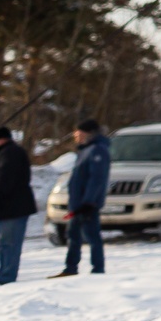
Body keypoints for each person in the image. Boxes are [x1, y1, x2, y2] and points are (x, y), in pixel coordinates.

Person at [53, 118, 110, 278]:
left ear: (87, 133)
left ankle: (97, 269)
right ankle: (71, 267)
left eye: (77, 132)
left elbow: (96, 178)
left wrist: (89, 201)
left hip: (86, 204)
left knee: (92, 236)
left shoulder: (97, 150)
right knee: (73, 235)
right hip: (78, 203)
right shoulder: (85, 150)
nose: (74, 135)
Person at [0, 127, 36, 284]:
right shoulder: (1, 154)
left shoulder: (11, 154)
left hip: (12, 208)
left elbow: (5, 181)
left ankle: (7, 276)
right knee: (3, 244)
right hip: (3, 209)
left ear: (0, 139)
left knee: (9, 244)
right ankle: (4, 273)